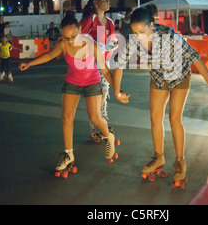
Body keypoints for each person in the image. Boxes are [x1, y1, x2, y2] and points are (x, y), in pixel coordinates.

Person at [113, 7, 208, 187]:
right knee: (155, 118)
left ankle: (180, 161)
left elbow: (195, 57)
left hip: (180, 75)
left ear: (151, 25)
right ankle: (159, 158)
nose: (138, 36)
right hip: (158, 76)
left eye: (142, 31)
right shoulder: (134, 41)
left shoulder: (170, 36)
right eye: (134, 32)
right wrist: (117, 91)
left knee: (174, 118)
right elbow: (119, 65)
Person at [19, 15, 129, 174]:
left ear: (79, 30)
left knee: (95, 118)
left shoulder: (92, 45)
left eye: (72, 36)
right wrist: (29, 63)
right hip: (72, 82)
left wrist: (118, 91)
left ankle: (108, 136)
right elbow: (50, 55)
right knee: (66, 118)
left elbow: (105, 70)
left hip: (92, 81)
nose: (69, 41)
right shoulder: (63, 44)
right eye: (65, 37)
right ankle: (68, 154)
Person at [80, 0, 118, 142]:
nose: (108, 2)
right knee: (97, 94)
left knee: (103, 94)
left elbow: (113, 41)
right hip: (92, 63)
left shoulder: (109, 22)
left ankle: (102, 123)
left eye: (108, 0)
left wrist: (112, 46)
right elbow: (79, 38)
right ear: (95, 3)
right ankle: (97, 126)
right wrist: (100, 46)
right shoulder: (90, 19)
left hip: (105, 62)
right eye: (104, 0)